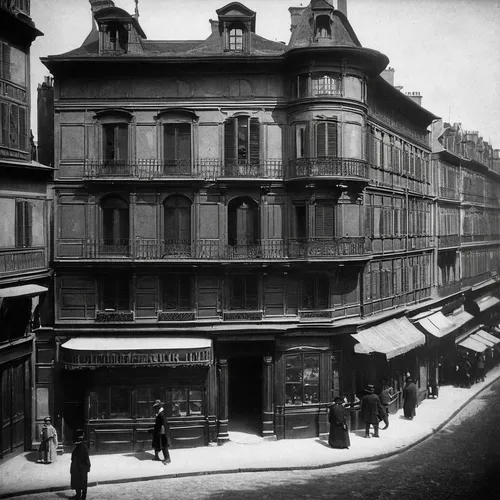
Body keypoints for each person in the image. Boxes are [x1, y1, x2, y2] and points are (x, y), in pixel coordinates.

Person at [70, 429, 91, 500]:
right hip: (76, 467)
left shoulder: (83, 447)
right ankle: (78, 494)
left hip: (82, 467)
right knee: (76, 481)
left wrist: (87, 467)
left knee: (83, 482)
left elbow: (86, 458)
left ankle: (83, 496)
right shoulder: (77, 448)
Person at [151, 399, 171, 464]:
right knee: (157, 444)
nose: (155, 409)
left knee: (163, 445)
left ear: (158, 407)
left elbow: (164, 424)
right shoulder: (159, 413)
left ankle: (167, 458)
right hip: (158, 431)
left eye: (156, 408)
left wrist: (162, 432)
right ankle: (156, 456)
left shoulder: (161, 414)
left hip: (162, 432)